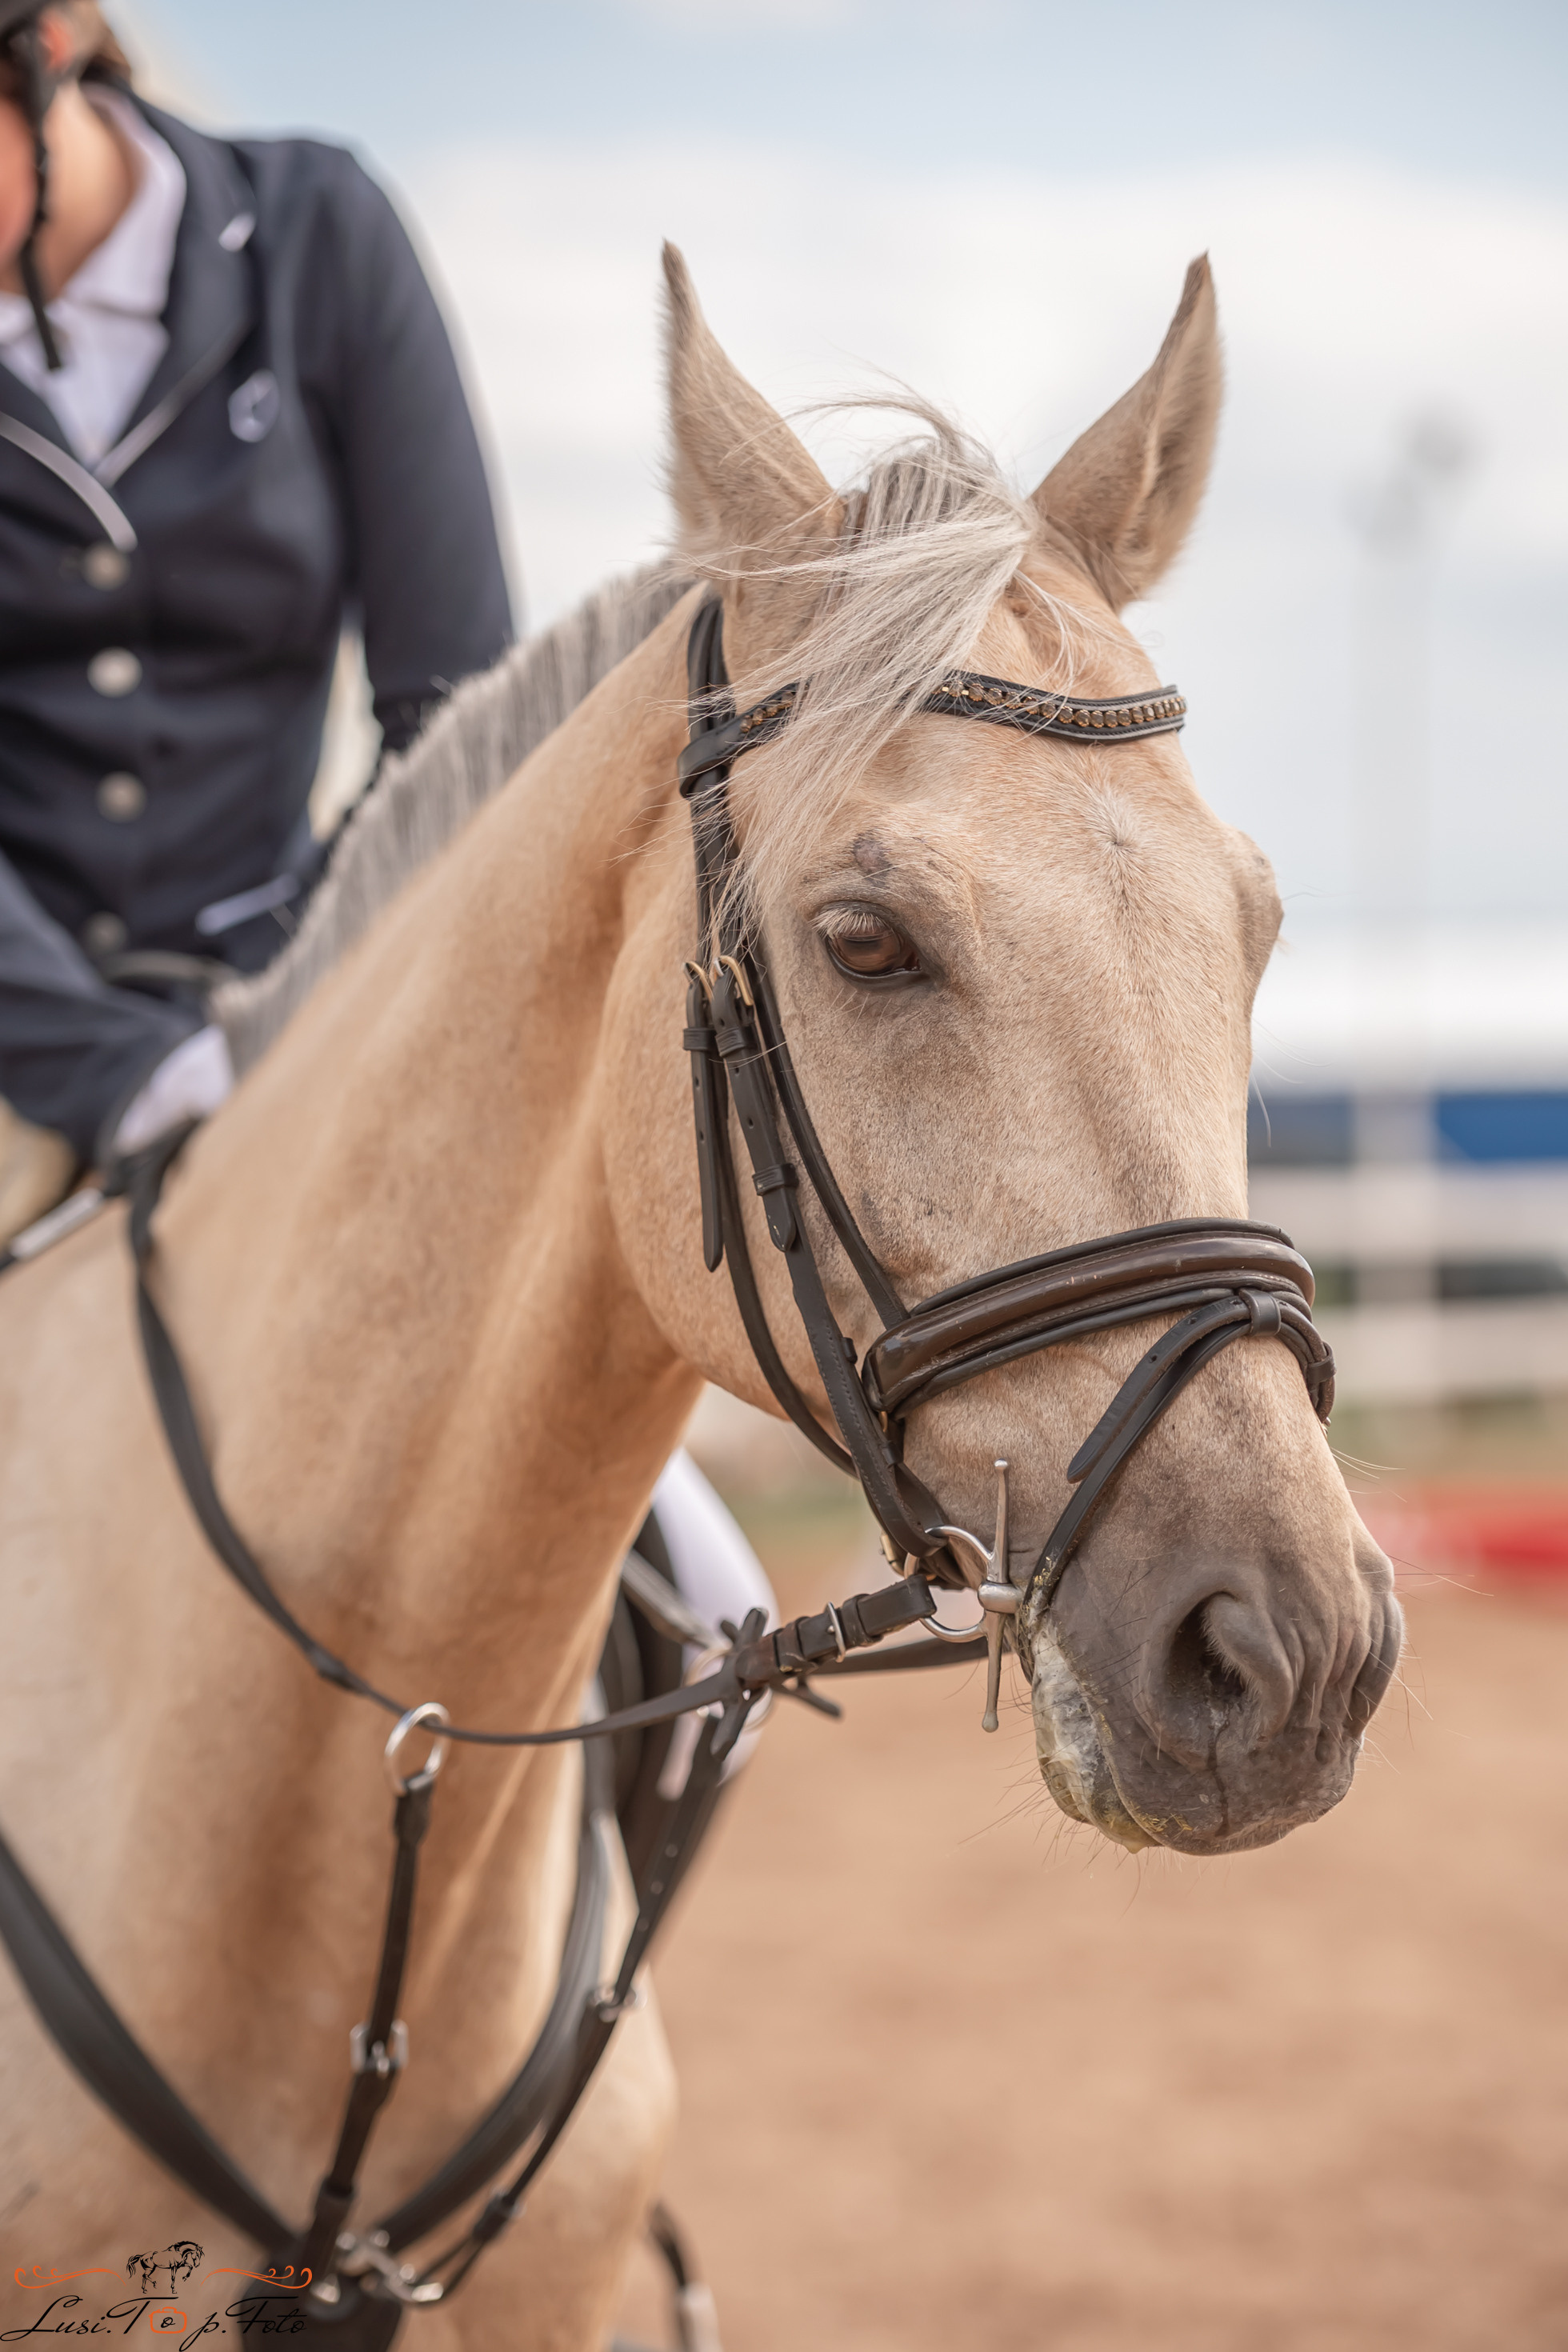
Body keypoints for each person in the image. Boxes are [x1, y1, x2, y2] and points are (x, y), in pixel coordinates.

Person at [0, 0, 514, 1236]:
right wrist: (121, 1068)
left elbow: (457, 707)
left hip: (298, 981)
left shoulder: (321, 235)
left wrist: (291, 1004)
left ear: (50, 46)